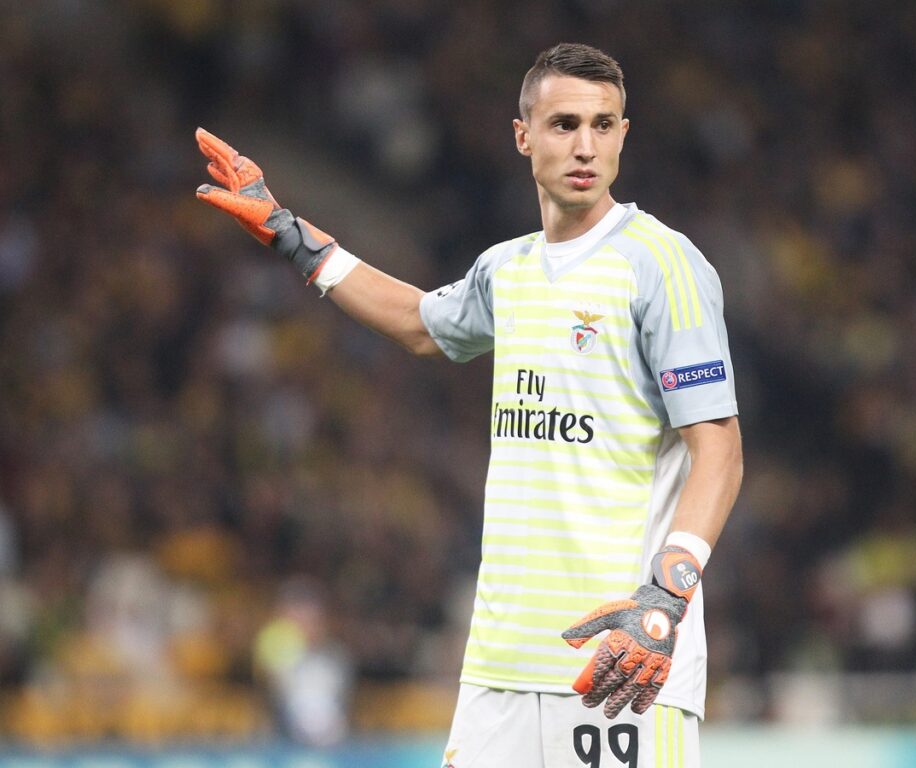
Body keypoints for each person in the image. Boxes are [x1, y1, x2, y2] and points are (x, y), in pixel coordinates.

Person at [195, 42, 742, 768]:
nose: (585, 146)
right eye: (564, 124)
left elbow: (719, 449)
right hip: (501, 664)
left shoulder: (664, 266)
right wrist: (289, 235)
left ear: (623, 135)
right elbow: (420, 323)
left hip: (622, 658)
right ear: (523, 136)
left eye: (603, 125)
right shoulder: (505, 270)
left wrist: (666, 596)